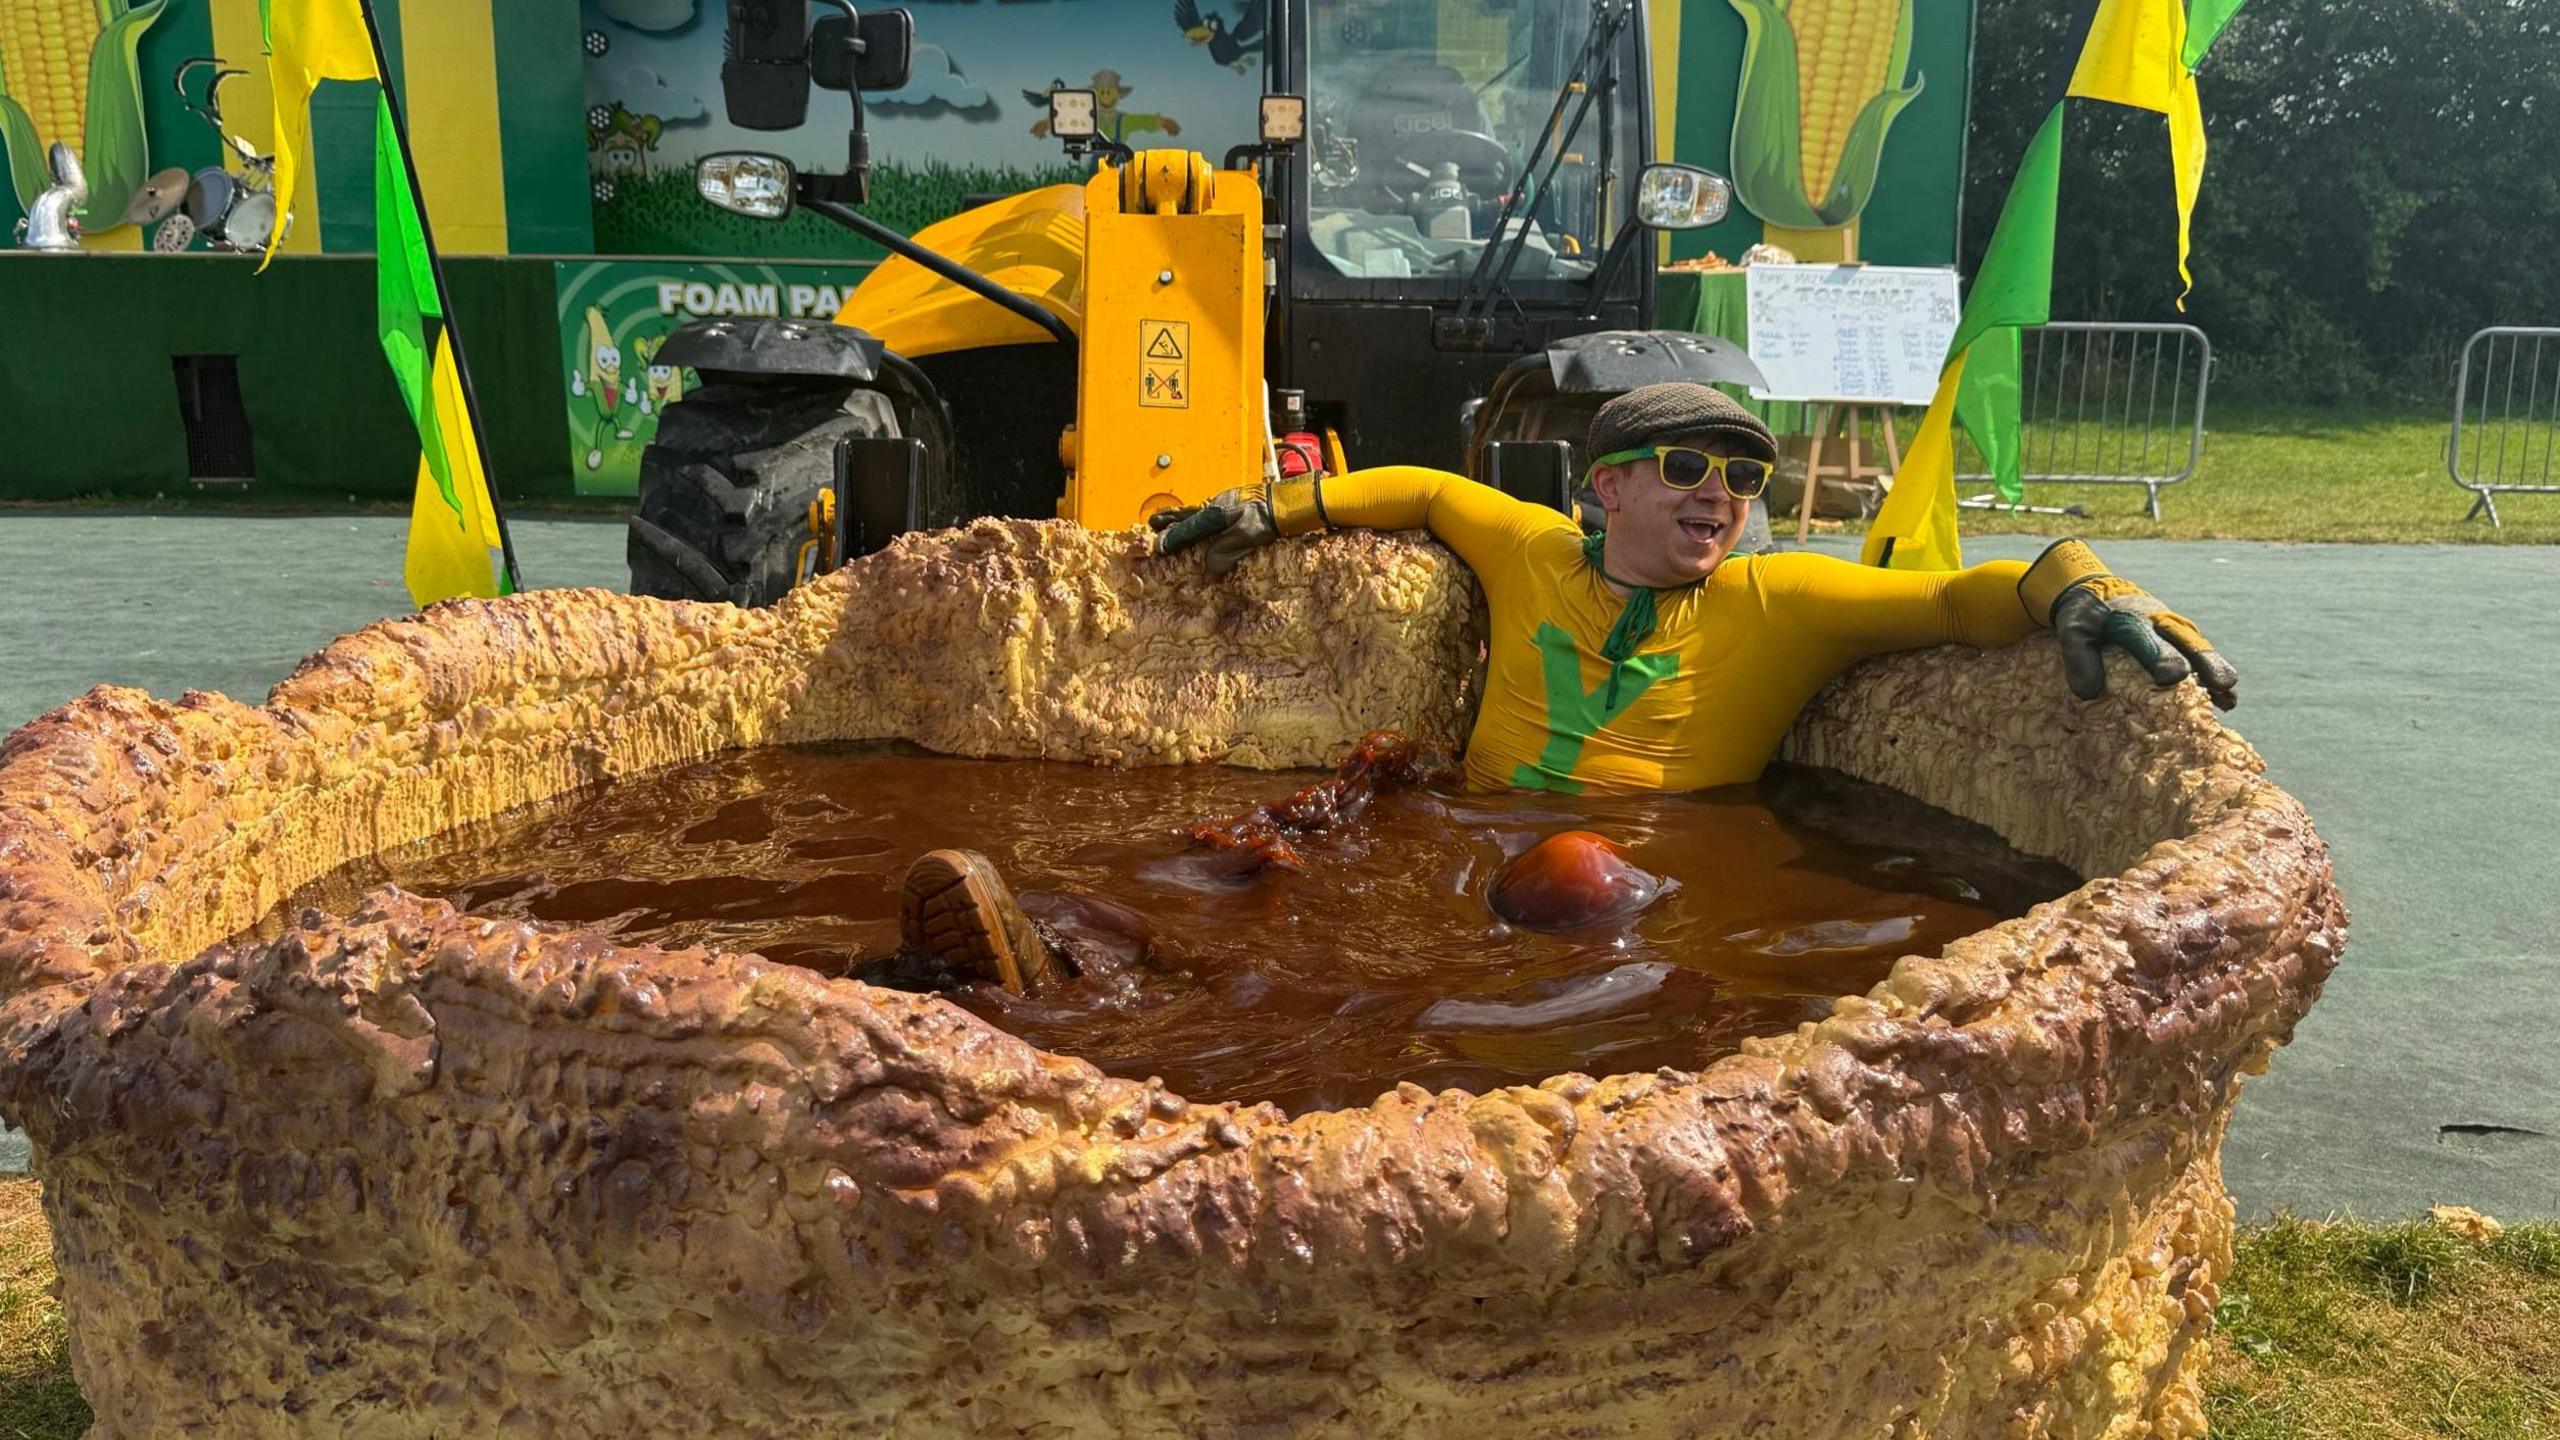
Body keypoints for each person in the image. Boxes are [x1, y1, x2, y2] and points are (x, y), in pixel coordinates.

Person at [902, 381, 2238, 989]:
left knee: (1578, 882)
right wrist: (1278, 504)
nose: (1724, 497)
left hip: (1642, 865)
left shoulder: (1784, 601)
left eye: (1746, 479)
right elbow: (1425, 486)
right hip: (1452, 830)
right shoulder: (1535, 550)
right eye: (1691, 469)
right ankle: (1058, 951)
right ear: (1608, 486)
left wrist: (2079, 581)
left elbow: (1959, 596)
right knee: (1249, 857)